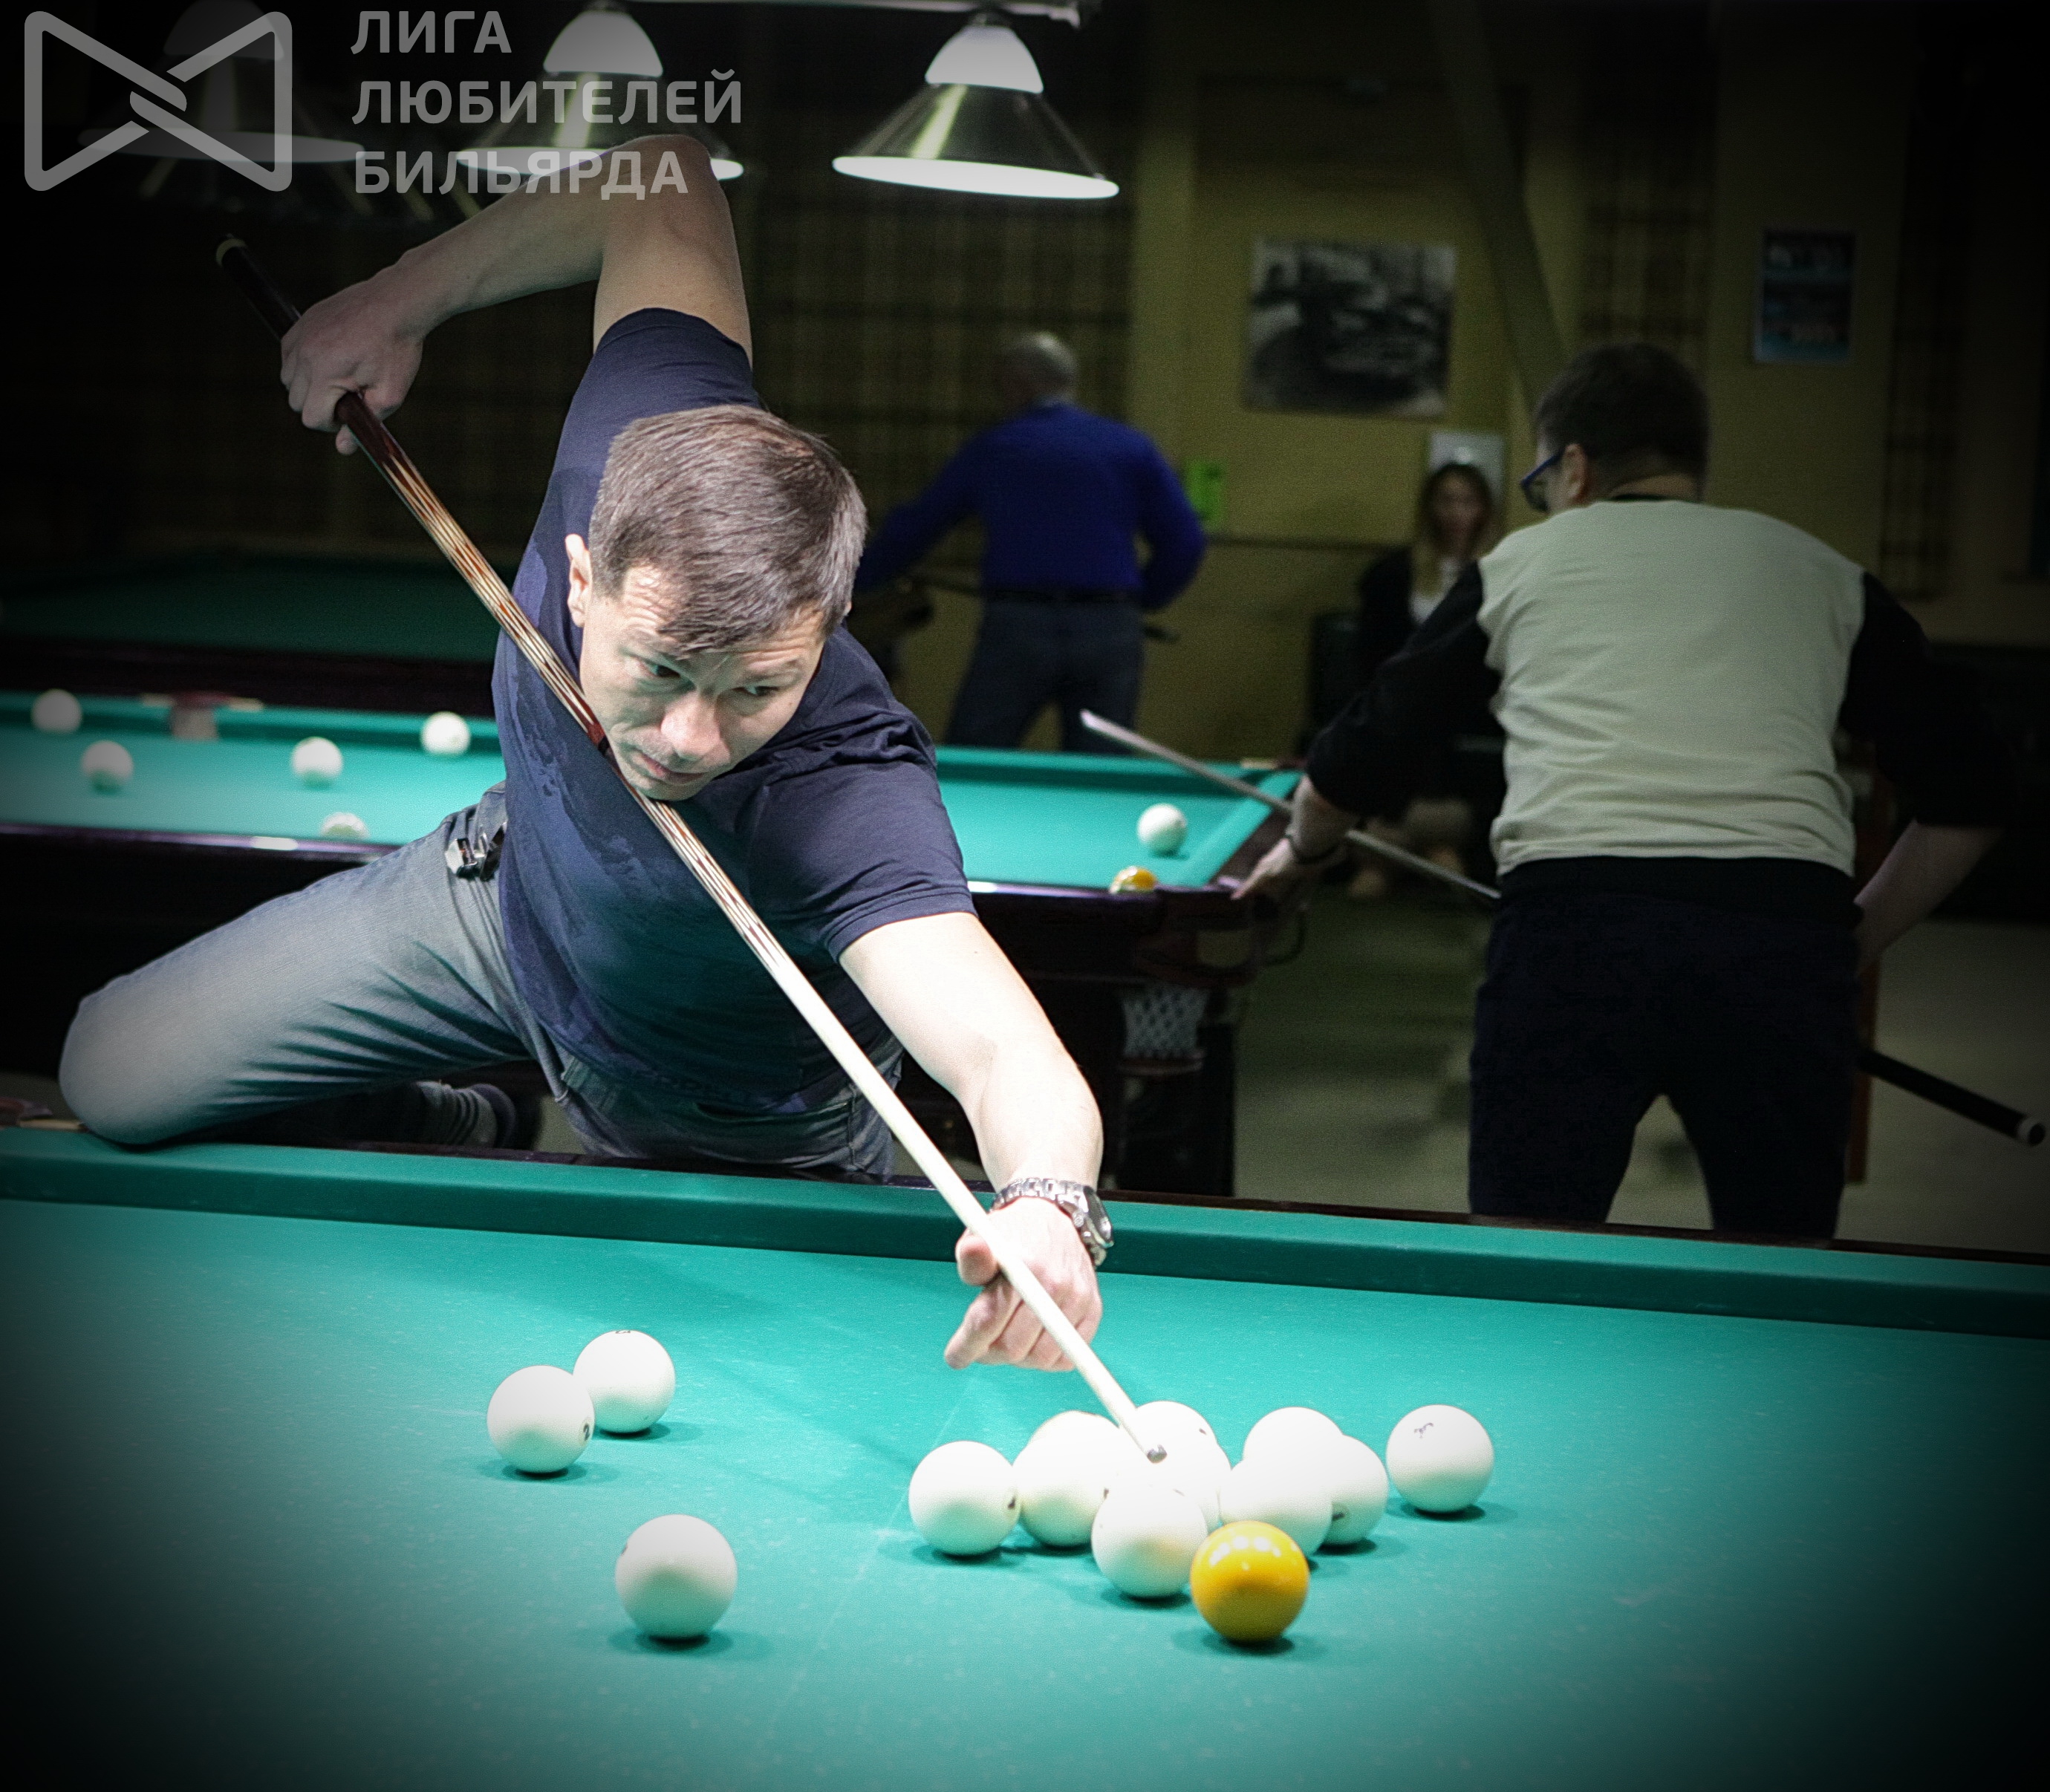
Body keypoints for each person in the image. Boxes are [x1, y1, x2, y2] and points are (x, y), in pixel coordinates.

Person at [59, 136, 1107, 1372]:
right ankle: (467, 1121)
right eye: (658, 669)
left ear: (825, 627)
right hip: (505, 911)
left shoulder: (847, 787)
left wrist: (1051, 1205)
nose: (691, 738)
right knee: (111, 1072)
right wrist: (398, 299)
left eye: (756, 687)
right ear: (580, 578)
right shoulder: (634, 427)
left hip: (731, 1098)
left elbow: (999, 1049)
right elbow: (661, 175)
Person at [1238, 342, 2013, 1238]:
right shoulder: (1825, 574)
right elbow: (1976, 796)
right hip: (1778, 943)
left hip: (1575, 941)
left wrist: (1302, 853)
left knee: (1529, 1258)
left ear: (1573, 467)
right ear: (1692, 462)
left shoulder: (1522, 565)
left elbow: (1354, 759)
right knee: (1786, 1268)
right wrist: (1844, 943)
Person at [852, 332, 1206, 752]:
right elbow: (1185, 542)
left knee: (979, 758)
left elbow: (916, 530)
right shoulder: (1131, 448)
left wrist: (850, 585)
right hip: (1109, 626)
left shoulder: (997, 448)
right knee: (1101, 765)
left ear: (1018, 383)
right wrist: (1140, 603)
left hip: (1018, 625)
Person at [1347, 461, 1500, 894]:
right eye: (1446, 501)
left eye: (1467, 502)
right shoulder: (1393, 574)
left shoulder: (1498, 574)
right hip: (1400, 703)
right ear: (1429, 507)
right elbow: (1372, 655)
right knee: (1400, 723)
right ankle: (1433, 848)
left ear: (1483, 510)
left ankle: (1389, 846)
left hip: (1471, 708)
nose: (1456, 513)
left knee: (1435, 727)